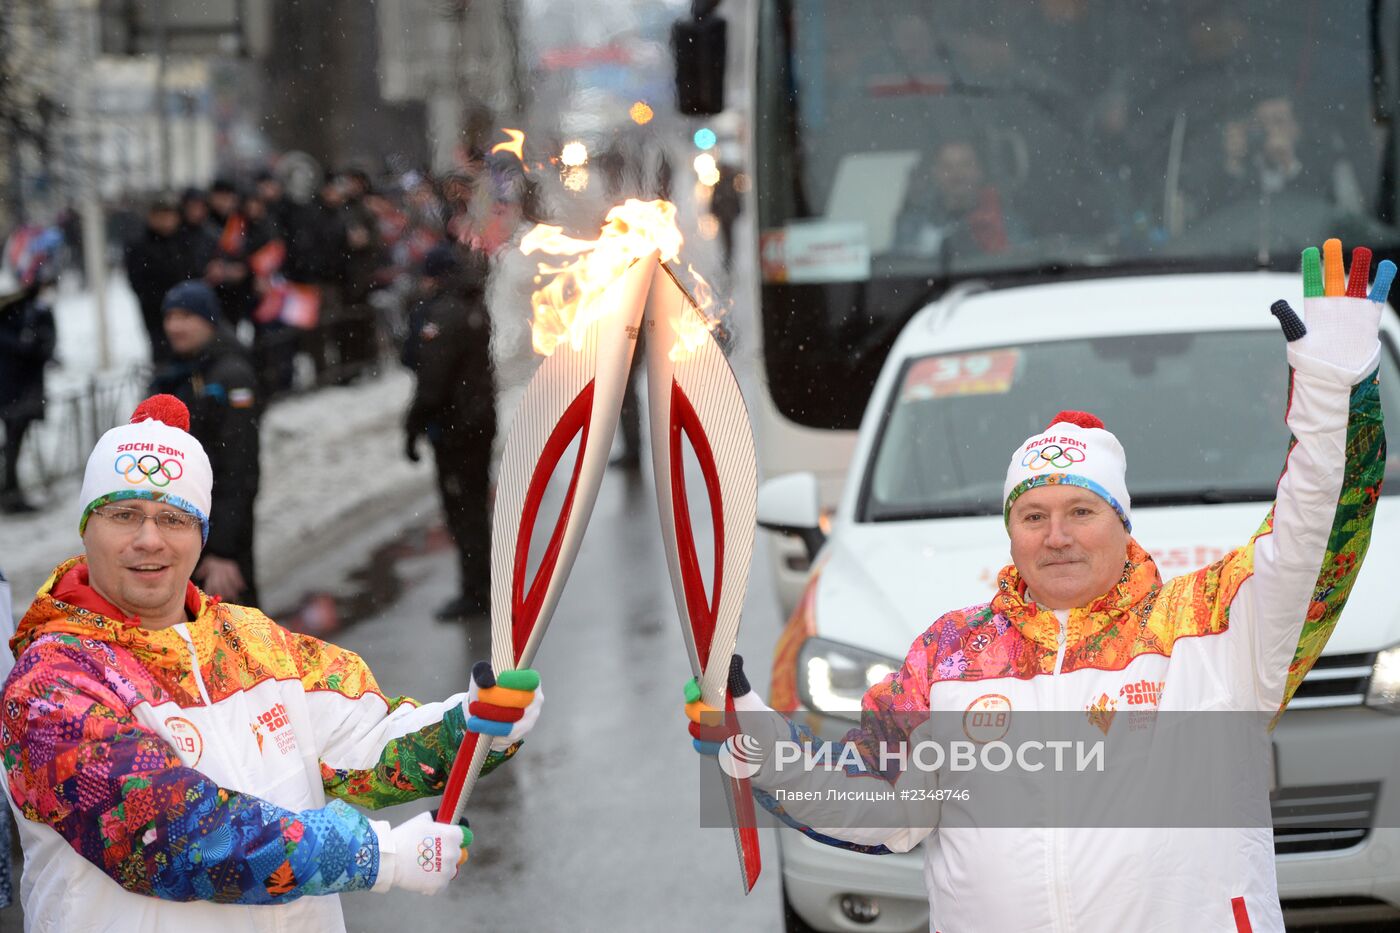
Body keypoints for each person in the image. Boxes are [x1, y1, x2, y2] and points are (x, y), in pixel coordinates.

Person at [685, 241, 1390, 931]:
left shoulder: (1208, 627)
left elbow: (1313, 542)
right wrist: (761, 740)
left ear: (1120, 522)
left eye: (1081, 511)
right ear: (1012, 529)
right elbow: (875, 802)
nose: (1056, 535)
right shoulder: (952, 656)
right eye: (1033, 515)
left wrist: (1330, 400)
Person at [0, 393, 543, 930]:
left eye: (173, 518)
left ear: (200, 535)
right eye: (125, 514)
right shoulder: (51, 685)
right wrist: (377, 856)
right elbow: (170, 836)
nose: (149, 539)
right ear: (86, 526)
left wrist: (473, 725)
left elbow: (368, 748)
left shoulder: (252, 642)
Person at [151, 281, 262, 606]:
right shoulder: (179, 371)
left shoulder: (231, 375)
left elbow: (239, 469)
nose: (175, 326)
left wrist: (223, 551)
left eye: (186, 316)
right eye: (170, 317)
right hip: (180, 532)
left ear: (209, 320)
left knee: (235, 642)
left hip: (217, 541)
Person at [402, 245, 496, 620]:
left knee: (464, 511)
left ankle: (476, 593)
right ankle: (481, 587)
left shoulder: (444, 313)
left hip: (457, 427)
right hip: (477, 420)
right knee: (472, 508)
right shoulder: (474, 303)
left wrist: (412, 426)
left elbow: (432, 381)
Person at [0, 227, 59, 514]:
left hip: (25, 384)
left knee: (16, 438)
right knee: (13, 438)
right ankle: (9, 490)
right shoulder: (12, 301)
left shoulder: (37, 303)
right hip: (12, 383)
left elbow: (46, 342)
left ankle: (10, 488)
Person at [894, 140, 1023, 260]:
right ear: (936, 173)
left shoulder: (1003, 219)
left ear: (979, 171)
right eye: (947, 167)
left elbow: (1023, 261)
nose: (957, 174)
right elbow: (902, 269)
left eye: (965, 165)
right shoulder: (913, 223)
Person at [125, 194, 202, 365]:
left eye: (170, 216)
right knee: (165, 359)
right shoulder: (140, 246)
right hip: (157, 315)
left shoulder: (184, 240)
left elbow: (194, 272)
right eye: (162, 216)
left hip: (189, 312)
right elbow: (139, 283)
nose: (167, 221)